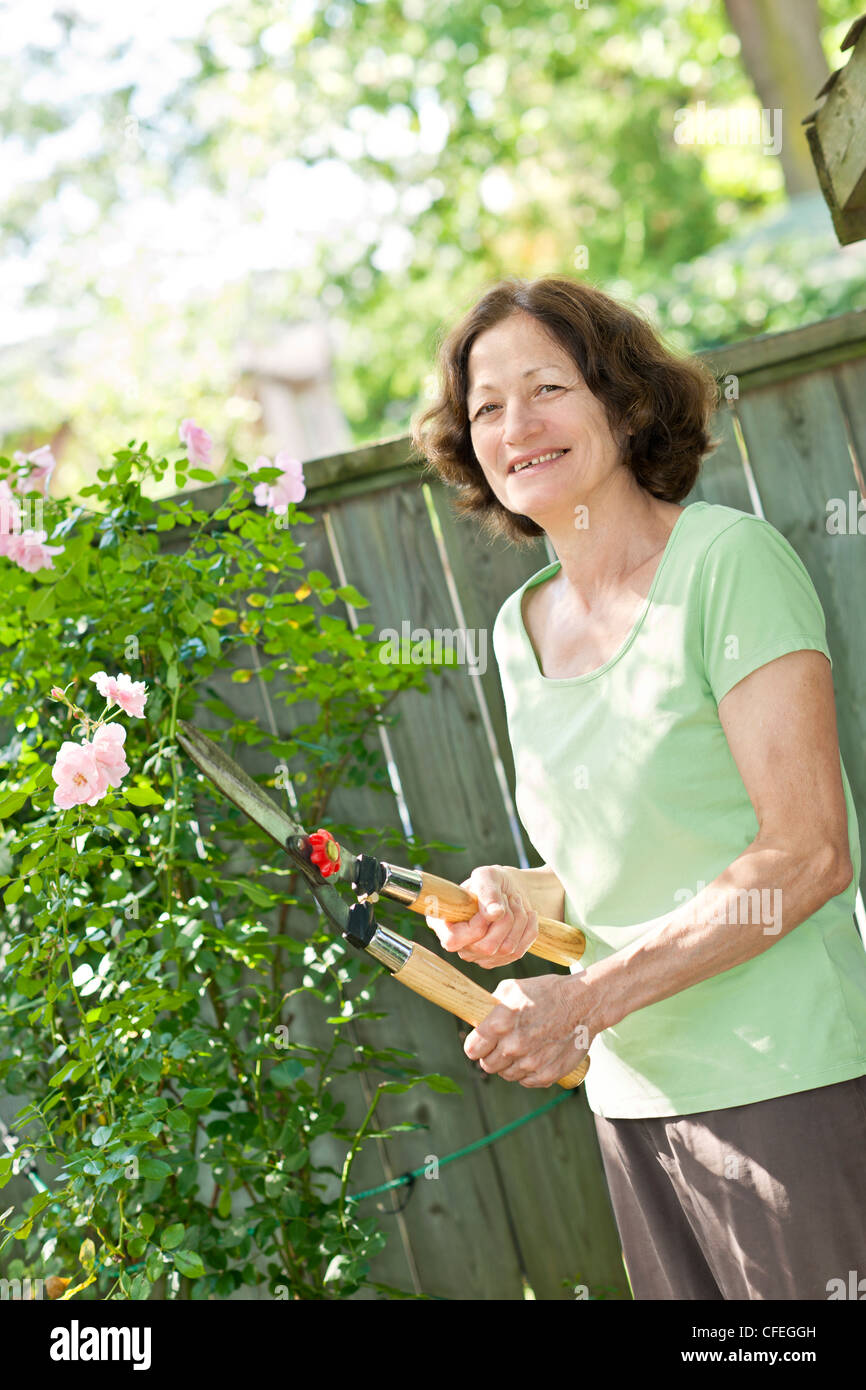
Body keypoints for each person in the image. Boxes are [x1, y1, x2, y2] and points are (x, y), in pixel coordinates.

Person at [410, 274, 866, 1301]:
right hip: (632, 1108)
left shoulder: (724, 564)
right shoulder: (516, 632)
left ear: (619, 400)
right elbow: (623, 862)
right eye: (485, 407)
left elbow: (803, 853)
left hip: (784, 1082)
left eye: (545, 388)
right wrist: (518, 898)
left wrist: (584, 1000)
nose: (514, 425)